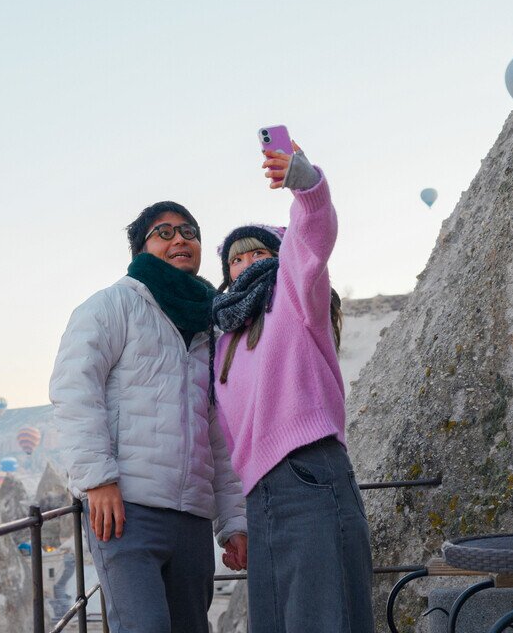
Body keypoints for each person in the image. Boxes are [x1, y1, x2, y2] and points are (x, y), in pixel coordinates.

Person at [50, 201, 248, 633]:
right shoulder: (112, 305)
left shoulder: (211, 325)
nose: (180, 239)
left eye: (189, 231)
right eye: (165, 232)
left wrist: (233, 520)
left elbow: (220, 431)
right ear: (140, 249)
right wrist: (98, 479)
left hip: (193, 517)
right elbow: (74, 390)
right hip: (126, 510)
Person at [210, 145, 371, 633]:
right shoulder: (223, 340)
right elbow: (232, 439)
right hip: (262, 495)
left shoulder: (296, 295)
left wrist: (304, 181)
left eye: (260, 251)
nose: (248, 262)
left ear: (279, 254)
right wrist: (236, 519)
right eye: (237, 258)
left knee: (325, 620)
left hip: (308, 472)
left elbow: (314, 235)